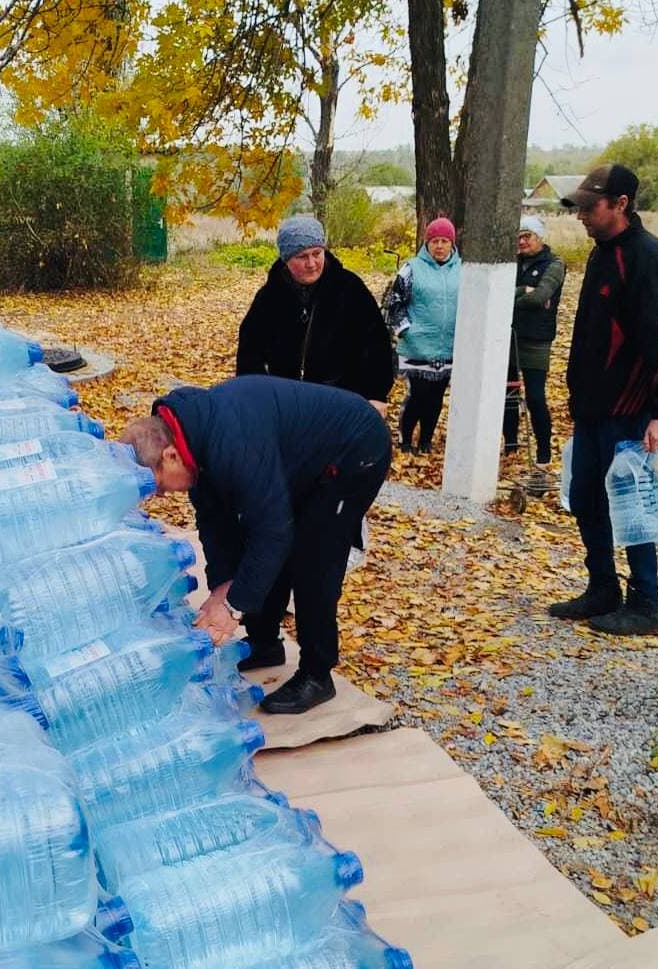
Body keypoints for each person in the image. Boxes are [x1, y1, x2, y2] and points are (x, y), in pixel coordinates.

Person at [119, 375, 391, 715]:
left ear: (171, 455)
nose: (161, 495)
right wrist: (222, 587)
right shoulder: (195, 440)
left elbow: (273, 532)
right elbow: (216, 525)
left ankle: (317, 674)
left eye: (158, 486)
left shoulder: (232, 444)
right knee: (257, 539)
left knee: (313, 557)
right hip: (299, 457)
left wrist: (233, 607)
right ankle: (264, 644)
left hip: (354, 448)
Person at [549, 164, 658, 635]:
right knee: (587, 497)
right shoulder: (601, 253)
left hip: (631, 408)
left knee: (630, 501)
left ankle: (646, 602)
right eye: (581, 208)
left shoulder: (649, 256)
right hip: (593, 407)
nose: (582, 216)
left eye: (590, 207)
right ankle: (603, 587)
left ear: (621, 204)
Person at [236, 215, 393, 414]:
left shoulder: (349, 288)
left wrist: (376, 394)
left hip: (343, 400)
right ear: (286, 259)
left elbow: (376, 343)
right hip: (288, 403)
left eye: (317, 253)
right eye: (302, 256)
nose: (312, 263)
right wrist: (254, 396)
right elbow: (250, 352)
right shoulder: (269, 297)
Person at [384, 217, 462, 453]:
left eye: (444, 241)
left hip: (448, 346)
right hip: (417, 346)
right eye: (434, 241)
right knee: (418, 396)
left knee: (436, 399)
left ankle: (426, 441)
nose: (439, 246)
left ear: (452, 243)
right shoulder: (411, 268)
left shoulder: (464, 269)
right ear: (426, 243)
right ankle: (406, 440)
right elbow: (394, 303)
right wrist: (405, 329)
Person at [502, 215, 566, 466]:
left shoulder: (555, 263)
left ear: (540, 237)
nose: (522, 241)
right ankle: (510, 444)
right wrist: (522, 291)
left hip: (537, 339)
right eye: (518, 237)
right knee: (508, 392)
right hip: (509, 335)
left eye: (527, 236)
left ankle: (543, 450)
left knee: (536, 397)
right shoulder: (512, 262)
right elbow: (501, 292)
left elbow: (540, 298)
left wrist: (518, 295)